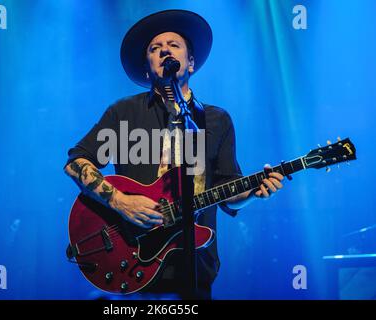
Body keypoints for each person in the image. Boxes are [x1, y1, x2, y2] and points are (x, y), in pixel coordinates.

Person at [64, 9, 285, 299]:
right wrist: (120, 201)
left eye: (174, 45)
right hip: (130, 261)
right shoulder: (123, 113)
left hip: (193, 269)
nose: (164, 50)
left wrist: (254, 191)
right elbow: (76, 162)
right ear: (147, 68)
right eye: (155, 48)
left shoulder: (216, 120)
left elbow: (227, 191)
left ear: (190, 62)